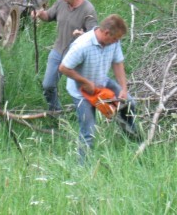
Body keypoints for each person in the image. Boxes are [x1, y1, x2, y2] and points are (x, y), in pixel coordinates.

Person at [59, 14, 137, 162]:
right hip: (81, 92)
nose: (116, 42)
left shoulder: (113, 43)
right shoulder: (82, 45)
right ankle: (82, 168)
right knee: (89, 131)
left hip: (102, 82)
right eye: (115, 39)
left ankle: (133, 140)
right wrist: (84, 81)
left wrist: (123, 89)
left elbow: (118, 63)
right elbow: (63, 68)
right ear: (107, 33)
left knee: (130, 104)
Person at [32, 0, 98, 111]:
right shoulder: (61, 2)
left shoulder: (88, 9)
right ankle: (55, 111)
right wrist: (39, 14)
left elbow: (94, 36)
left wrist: (82, 36)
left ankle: (83, 113)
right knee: (48, 86)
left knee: (78, 91)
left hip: (76, 57)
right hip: (58, 51)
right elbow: (48, 16)